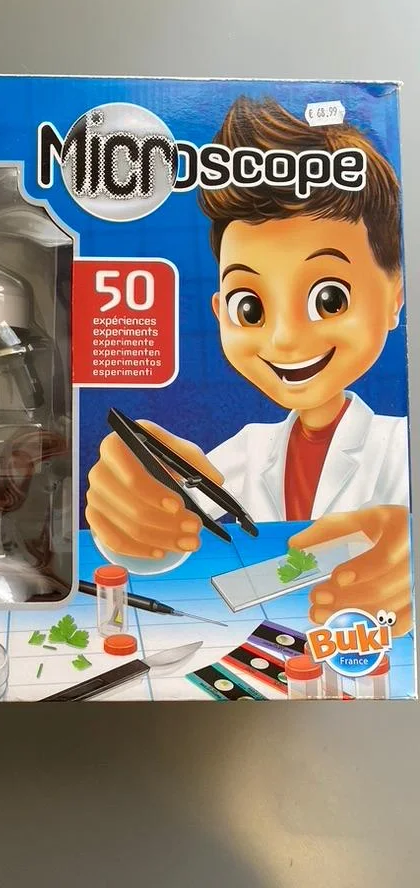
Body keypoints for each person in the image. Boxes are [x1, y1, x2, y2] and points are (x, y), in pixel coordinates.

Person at [86, 97, 412, 633]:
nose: (284, 339)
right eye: (251, 308)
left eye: (329, 299)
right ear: (219, 312)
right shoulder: (244, 455)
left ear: (396, 293)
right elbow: (161, 557)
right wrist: (130, 518)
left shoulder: (402, 449)